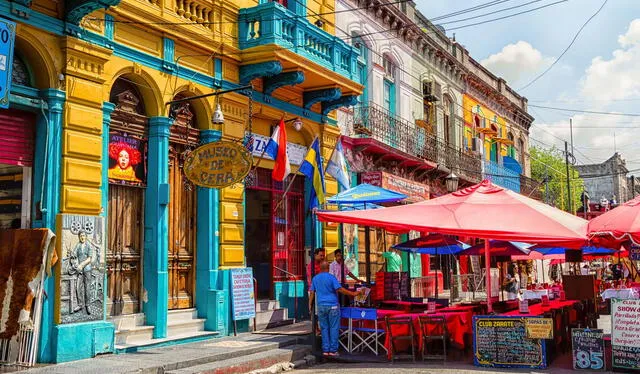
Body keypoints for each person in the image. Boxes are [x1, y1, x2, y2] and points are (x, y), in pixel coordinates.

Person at [309, 261, 361, 357]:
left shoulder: (315, 278)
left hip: (321, 306)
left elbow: (312, 292)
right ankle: (333, 350)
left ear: (320, 268)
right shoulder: (331, 278)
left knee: (324, 328)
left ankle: (325, 350)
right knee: (334, 328)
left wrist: (309, 305)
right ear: (328, 268)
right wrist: (353, 294)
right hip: (332, 305)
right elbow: (340, 289)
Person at [69, 231, 97, 314]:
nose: (82, 237)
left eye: (83, 236)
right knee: (78, 287)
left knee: (87, 288)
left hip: (87, 269)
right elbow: (74, 255)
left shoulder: (89, 245)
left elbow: (89, 259)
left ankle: (87, 305)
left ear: (86, 236)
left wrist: (81, 265)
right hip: (80, 271)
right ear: (79, 237)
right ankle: (80, 304)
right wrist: (73, 256)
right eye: (81, 236)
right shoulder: (78, 245)